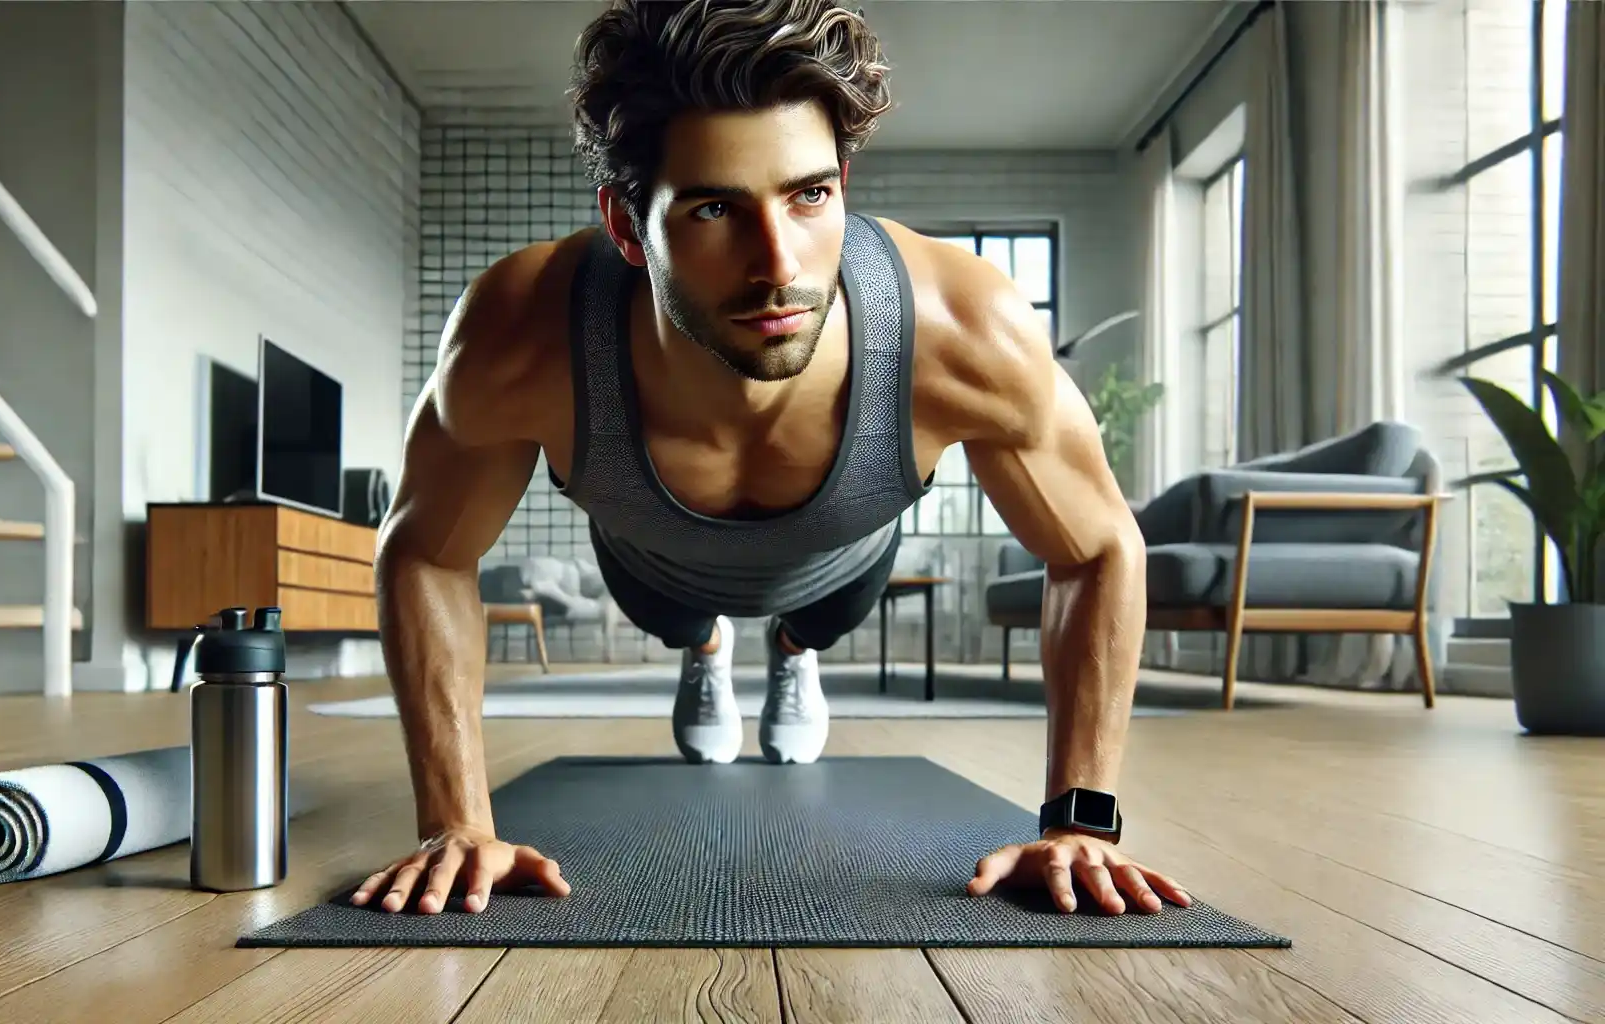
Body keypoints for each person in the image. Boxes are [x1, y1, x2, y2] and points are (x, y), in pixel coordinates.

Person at [353, 0, 1191, 922]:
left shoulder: (966, 329)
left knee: (819, 614)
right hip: (650, 564)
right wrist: (454, 823)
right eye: (714, 208)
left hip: (840, 561)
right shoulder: (522, 335)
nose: (777, 262)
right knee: (677, 614)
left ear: (842, 183)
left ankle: (793, 651)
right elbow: (428, 552)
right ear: (629, 228)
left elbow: (1098, 546)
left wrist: (1081, 821)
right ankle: (704, 645)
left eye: (809, 194)